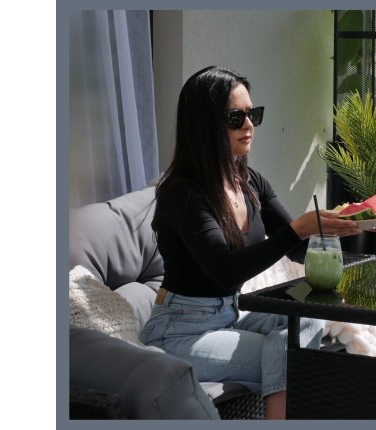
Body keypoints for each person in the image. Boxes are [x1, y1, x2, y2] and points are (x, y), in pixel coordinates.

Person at [139, 65, 362, 419]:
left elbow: (300, 249)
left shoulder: (251, 182)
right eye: (235, 117)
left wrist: (351, 226)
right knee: (291, 354)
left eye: (252, 114)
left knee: (306, 320)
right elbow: (224, 271)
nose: (249, 125)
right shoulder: (183, 193)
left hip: (229, 315)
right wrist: (298, 230)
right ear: (205, 125)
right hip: (180, 331)